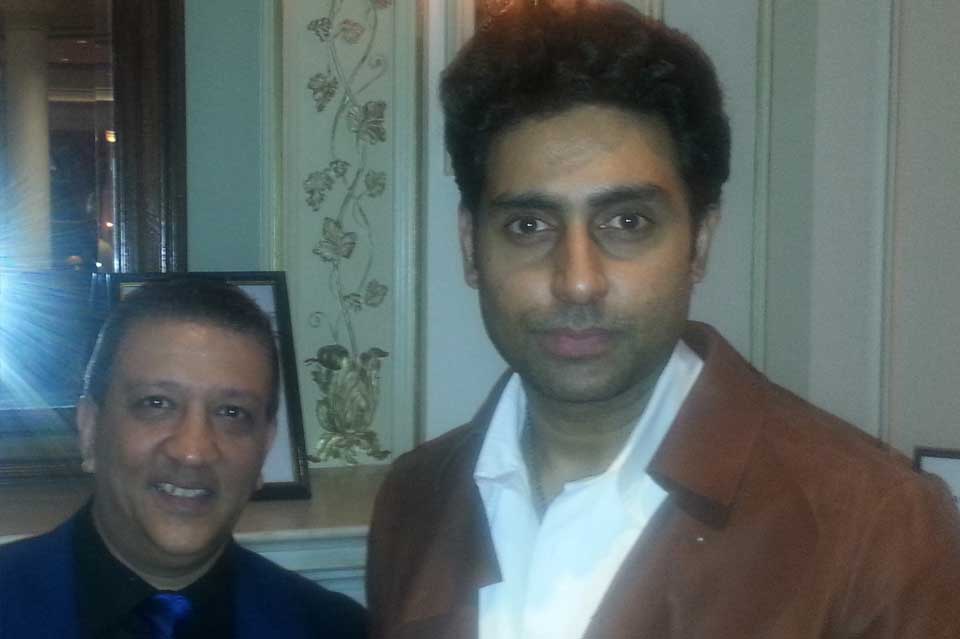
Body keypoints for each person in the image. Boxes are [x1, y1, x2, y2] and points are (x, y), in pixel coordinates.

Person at [365, 2, 960, 638]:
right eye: (529, 225)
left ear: (698, 243)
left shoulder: (876, 528)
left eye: (627, 222)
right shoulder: (415, 498)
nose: (578, 281)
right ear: (471, 246)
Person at [0, 279, 367, 638]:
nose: (193, 452)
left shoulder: (336, 628)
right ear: (90, 430)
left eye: (231, 412)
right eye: (156, 403)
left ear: (265, 448)